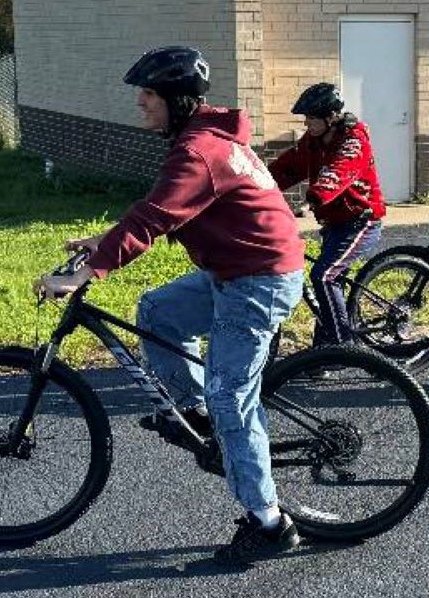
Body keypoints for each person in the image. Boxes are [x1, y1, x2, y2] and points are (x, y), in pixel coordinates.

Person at [34, 46, 306, 565]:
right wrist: (105, 241)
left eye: (150, 93)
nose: (140, 103)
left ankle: (270, 524)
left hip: (259, 282)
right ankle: (195, 411)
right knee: (158, 311)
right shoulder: (200, 142)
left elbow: (153, 219)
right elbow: (161, 212)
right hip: (235, 271)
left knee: (233, 397)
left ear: (178, 100)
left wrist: (91, 270)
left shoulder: (199, 151)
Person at [267, 82, 386, 348]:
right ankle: (323, 351)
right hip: (334, 223)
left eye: (311, 117)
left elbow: (337, 172)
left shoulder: (354, 141)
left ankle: (343, 346)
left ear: (331, 117)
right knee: (329, 280)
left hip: (361, 222)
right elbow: (288, 166)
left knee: (324, 276)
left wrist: (313, 198)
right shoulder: (313, 141)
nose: (306, 122)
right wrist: (256, 184)